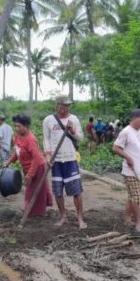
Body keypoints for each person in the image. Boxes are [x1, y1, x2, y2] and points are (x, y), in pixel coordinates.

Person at [42, 96, 86, 229]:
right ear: (57, 105)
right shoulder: (48, 120)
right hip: (56, 160)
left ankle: (80, 219)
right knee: (58, 191)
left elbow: (80, 137)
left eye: (68, 106)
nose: (66, 108)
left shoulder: (74, 119)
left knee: (76, 191)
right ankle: (63, 217)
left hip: (70, 159)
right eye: (63, 105)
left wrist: (72, 130)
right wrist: (48, 156)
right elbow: (46, 139)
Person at [4, 114, 53, 217]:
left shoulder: (30, 140)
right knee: (32, 192)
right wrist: (9, 162)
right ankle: (33, 213)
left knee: (33, 192)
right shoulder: (17, 136)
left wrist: (30, 175)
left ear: (26, 126)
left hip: (37, 168)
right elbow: (17, 151)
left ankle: (34, 214)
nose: (17, 129)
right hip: (27, 168)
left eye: (19, 126)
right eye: (15, 126)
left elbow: (36, 158)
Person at [113, 109, 140, 235]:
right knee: (137, 198)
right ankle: (138, 223)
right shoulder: (126, 132)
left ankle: (128, 220)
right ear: (134, 118)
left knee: (133, 197)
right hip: (130, 172)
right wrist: (128, 157)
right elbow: (116, 148)